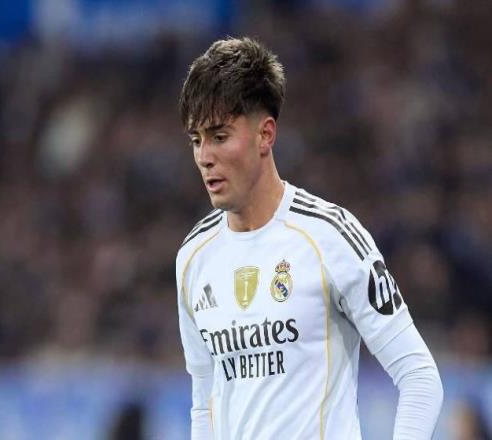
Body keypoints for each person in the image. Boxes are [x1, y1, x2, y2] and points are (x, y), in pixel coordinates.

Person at [176, 37, 443, 439]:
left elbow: (419, 376)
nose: (204, 156)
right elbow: (204, 403)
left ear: (266, 134)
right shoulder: (194, 257)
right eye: (196, 140)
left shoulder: (330, 237)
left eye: (219, 136)